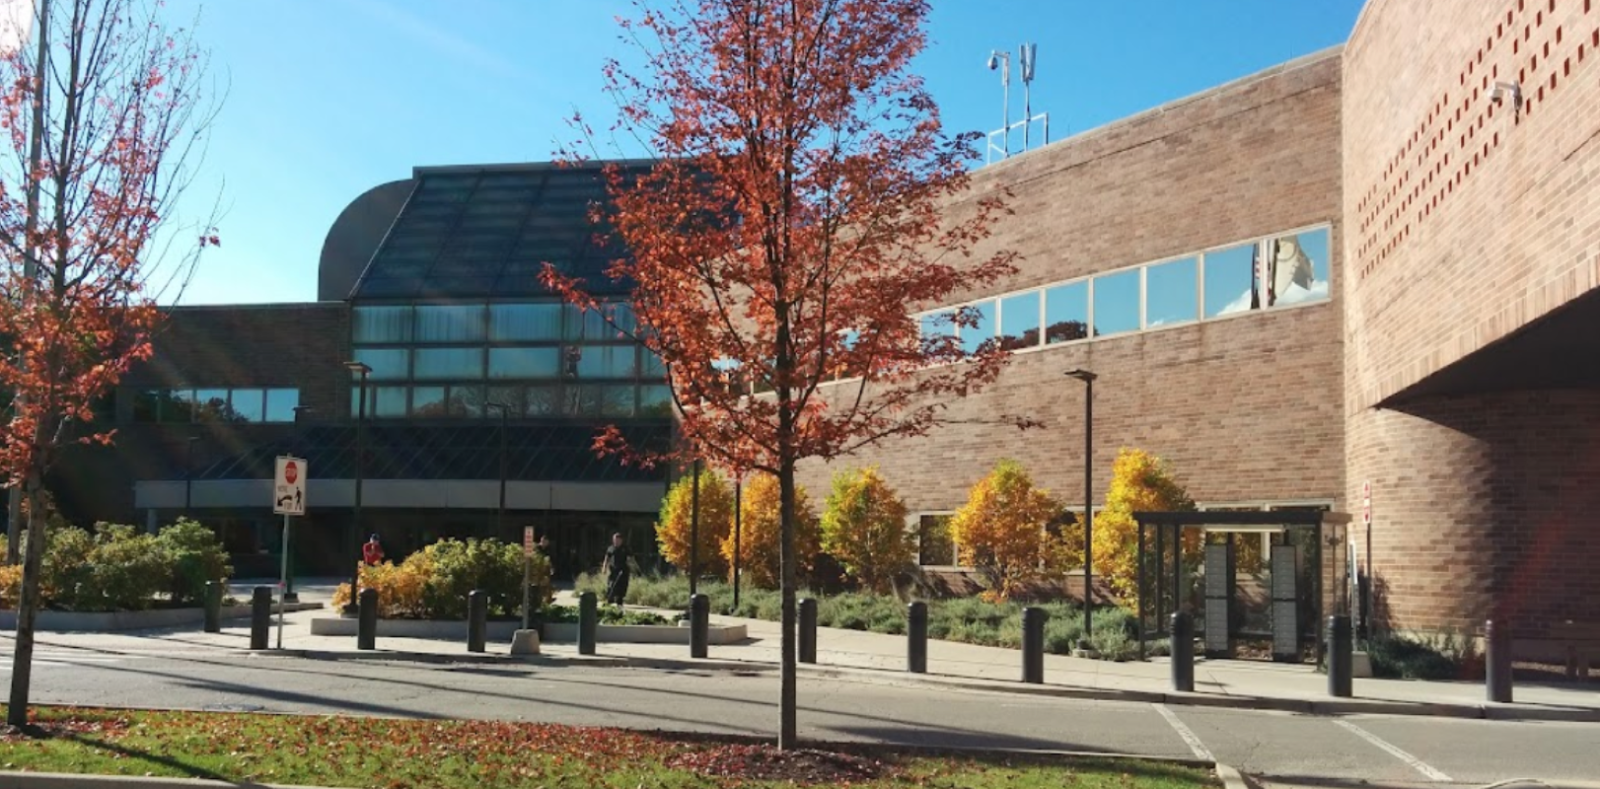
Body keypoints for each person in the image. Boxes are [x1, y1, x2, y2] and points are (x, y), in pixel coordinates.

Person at [601, 532, 631, 608]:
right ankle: (609, 600)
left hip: (623, 571)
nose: (616, 542)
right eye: (614, 540)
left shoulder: (626, 548)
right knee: (611, 585)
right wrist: (604, 567)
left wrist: (633, 568)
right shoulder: (611, 548)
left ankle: (619, 603)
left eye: (617, 540)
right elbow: (606, 558)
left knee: (621, 587)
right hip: (613, 570)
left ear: (621, 540)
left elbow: (631, 559)